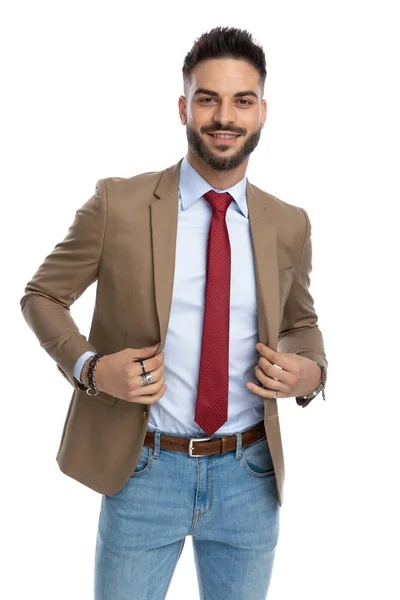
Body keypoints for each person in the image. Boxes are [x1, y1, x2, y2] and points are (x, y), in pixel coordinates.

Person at [20, 26, 327, 600]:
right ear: (184, 106)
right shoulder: (120, 204)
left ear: (263, 112)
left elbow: (301, 322)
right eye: (208, 98)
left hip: (250, 476)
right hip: (144, 471)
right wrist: (91, 368)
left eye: (242, 100)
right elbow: (41, 296)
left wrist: (311, 373)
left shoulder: (289, 224)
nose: (223, 117)